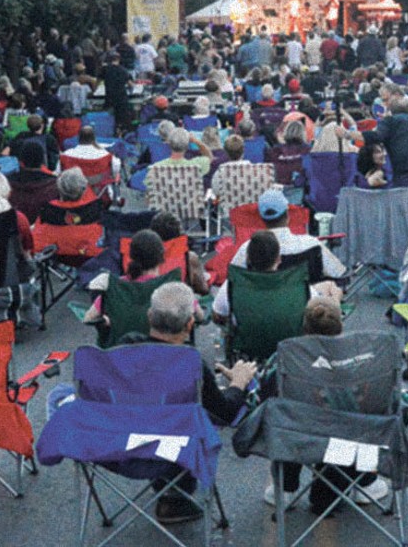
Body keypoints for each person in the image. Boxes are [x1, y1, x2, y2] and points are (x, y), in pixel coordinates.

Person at [118, 282, 256, 524]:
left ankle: (170, 492)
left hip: (118, 443)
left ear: (150, 316)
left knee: (161, 413)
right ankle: (174, 494)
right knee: (189, 421)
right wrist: (239, 382)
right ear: (190, 324)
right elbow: (224, 411)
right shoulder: (190, 363)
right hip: (171, 445)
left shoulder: (124, 347)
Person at [216, 189, 347, 320]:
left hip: (258, 311)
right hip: (303, 313)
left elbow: (234, 279)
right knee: (332, 287)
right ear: (288, 215)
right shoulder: (311, 244)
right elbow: (337, 272)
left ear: (261, 219)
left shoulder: (248, 248)